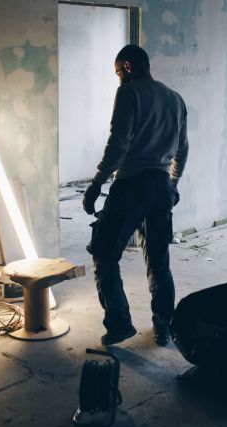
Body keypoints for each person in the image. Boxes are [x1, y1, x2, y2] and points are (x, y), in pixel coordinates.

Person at [83, 45, 189, 346]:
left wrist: (96, 184)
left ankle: (119, 323)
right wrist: (173, 183)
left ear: (128, 67)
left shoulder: (129, 93)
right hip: (160, 187)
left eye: (118, 72)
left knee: (104, 253)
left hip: (131, 186)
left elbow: (118, 144)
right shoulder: (175, 98)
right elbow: (183, 150)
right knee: (158, 261)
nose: (118, 79)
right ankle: (163, 327)